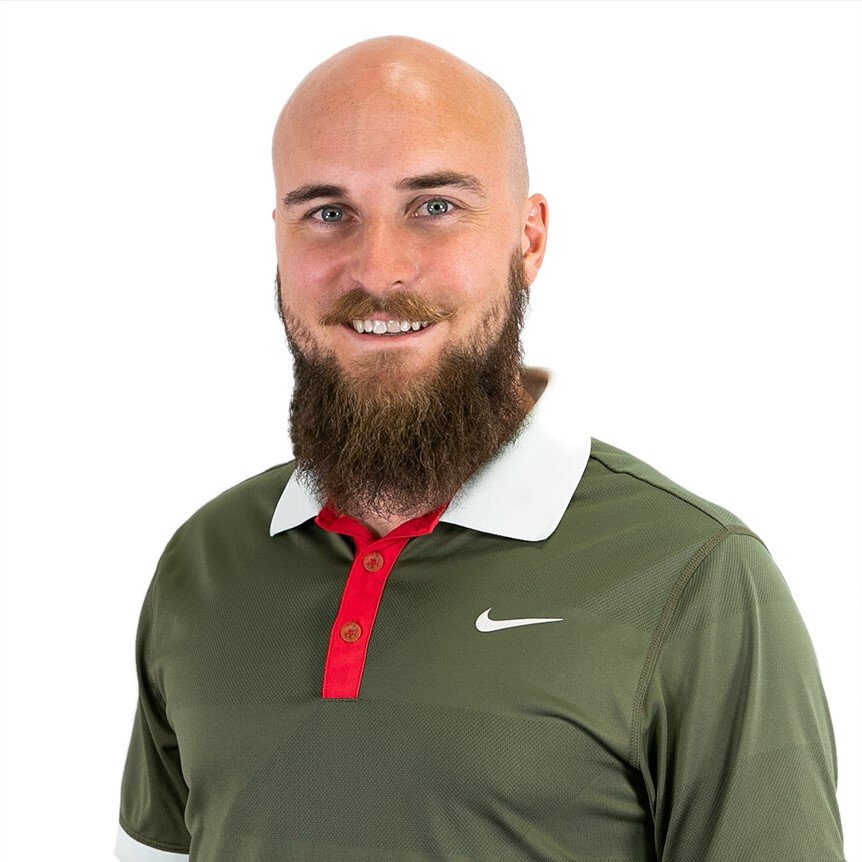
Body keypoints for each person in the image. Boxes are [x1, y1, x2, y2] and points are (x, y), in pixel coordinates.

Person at [115, 35, 846, 862]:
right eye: (326, 212)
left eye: (434, 206)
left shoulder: (695, 580)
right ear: (277, 240)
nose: (379, 269)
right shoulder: (202, 564)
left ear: (528, 239)